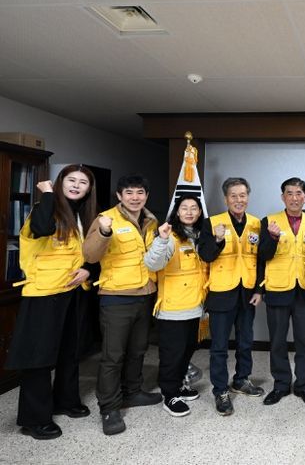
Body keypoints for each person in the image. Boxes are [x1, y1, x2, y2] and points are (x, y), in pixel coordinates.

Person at [5, 165, 97, 440]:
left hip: (73, 291)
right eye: (71, 180)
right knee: (39, 357)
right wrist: (47, 194)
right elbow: (42, 228)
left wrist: (88, 269)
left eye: (83, 182)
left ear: (89, 189)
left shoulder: (82, 215)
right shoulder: (43, 209)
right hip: (44, 294)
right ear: (59, 182)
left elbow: (86, 253)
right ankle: (34, 419)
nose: (76, 185)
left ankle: (65, 401)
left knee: (70, 351)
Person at [83, 174, 161, 435]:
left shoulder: (151, 221)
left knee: (138, 350)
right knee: (113, 355)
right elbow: (90, 255)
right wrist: (104, 232)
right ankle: (109, 407)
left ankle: (133, 391)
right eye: (129, 192)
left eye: (140, 192)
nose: (135, 197)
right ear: (119, 196)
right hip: (116, 296)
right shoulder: (106, 219)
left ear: (146, 196)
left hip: (145, 294)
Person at [197, 177, 264, 416]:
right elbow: (205, 255)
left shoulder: (256, 223)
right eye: (233, 196)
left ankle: (241, 379)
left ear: (248, 197)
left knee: (245, 342)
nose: (238, 200)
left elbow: (261, 260)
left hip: (247, 292)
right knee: (219, 347)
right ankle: (220, 390)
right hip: (221, 293)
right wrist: (217, 240)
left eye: (242, 195)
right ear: (226, 199)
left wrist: (259, 290)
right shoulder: (212, 223)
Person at [258, 177, 305, 405]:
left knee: (304, 341)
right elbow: (262, 256)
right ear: (282, 197)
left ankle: (303, 385)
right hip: (277, 289)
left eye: (299, 193)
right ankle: (281, 385)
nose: (294, 198)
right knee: (277, 341)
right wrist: (272, 237)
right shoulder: (269, 221)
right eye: (289, 193)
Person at [144, 194, 206, 417]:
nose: (189, 212)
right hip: (173, 309)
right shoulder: (169, 236)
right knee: (172, 355)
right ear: (177, 212)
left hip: (195, 306)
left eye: (194, 208)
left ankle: (179, 385)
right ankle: (169, 395)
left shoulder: (199, 236)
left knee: (187, 350)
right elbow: (152, 264)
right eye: (184, 208)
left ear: (200, 212)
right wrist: (161, 240)